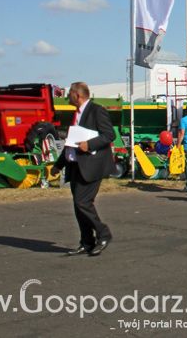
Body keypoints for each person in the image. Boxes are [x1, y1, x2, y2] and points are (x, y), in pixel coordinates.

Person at [51, 82, 115, 256]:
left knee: (82, 202)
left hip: (92, 165)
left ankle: (103, 233)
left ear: (77, 95)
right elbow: (71, 143)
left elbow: (109, 135)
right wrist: (58, 165)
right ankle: (86, 242)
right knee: (78, 205)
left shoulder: (96, 110)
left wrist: (90, 144)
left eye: (69, 94)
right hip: (76, 166)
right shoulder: (76, 115)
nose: (67, 97)